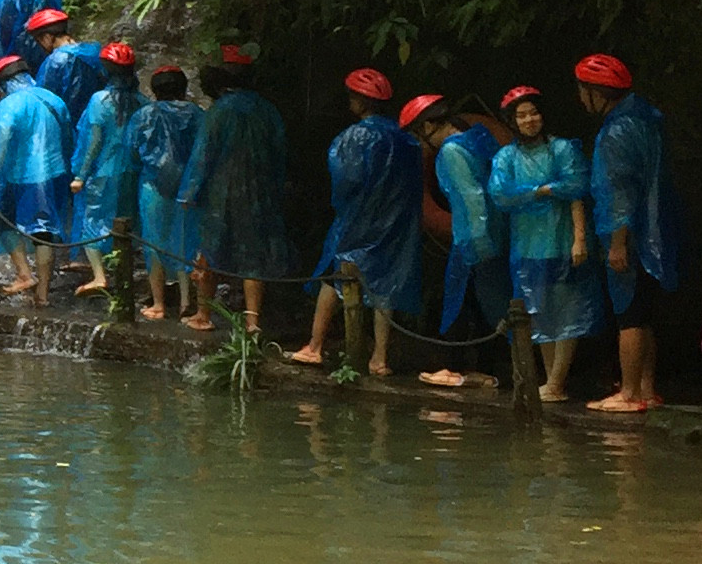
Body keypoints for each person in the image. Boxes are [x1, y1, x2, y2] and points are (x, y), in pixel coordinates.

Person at [290, 67, 423, 376]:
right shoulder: (406, 138)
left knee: (334, 277)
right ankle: (379, 358)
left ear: (361, 101)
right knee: (384, 287)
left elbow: (345, 181)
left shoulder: (354, 137)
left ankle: (315, 346)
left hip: (358, 220)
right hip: (396, 224)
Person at [575, 53, 685, 414]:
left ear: (596, 93)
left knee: (629, 315)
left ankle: (629, 392)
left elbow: (618, 192)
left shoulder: (616, 132)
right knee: (645, 312)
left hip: (631, 233)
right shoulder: (646, 119)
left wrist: (617, 242)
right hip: (657, 229)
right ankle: (647, 388)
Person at [486, 86, 602, 400]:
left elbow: (576, 189)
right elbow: (500, 194)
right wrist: (545, 189)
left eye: (533, 113)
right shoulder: (507, 156)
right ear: (512, 121)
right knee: (538, 312)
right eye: (521, 115)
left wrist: (579, 238)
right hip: (526, 248)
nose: (529, 120)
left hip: (562, 242)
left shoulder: (562, 149)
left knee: (567, 310)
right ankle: (552, 382)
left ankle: (556, 381)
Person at [178, 59, 290, 333]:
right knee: (254, 255)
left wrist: (190, 191)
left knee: (210, 249)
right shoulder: (268, 110)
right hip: (259, 191)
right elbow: (280, 152)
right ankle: (253, 321)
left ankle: (203, 314)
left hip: (221, 190)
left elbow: (203, 154)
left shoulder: (219, 111)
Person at [410, 98, 509, 389]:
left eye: (418, 132)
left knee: (460, 300)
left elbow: (471, 197)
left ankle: (452, 367)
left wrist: (476, 240)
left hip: (472, 236)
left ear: (428, 126)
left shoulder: (452, 151)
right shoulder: (479, 138)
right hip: (497, 232)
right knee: (486, 301)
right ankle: (487, 368)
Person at [70, 41, 143, 294]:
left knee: (94, 220)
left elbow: (94, 142)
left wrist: (81, 175)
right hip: (134, 171)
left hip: (105, 170)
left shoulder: (99, 100)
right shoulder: (141, 101)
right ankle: (122, 274)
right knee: (127, 222)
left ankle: (100, 276)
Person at [130, 63, 199, 322]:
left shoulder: (145, 114)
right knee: (184, 243)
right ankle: (185, 302)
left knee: (153, 243)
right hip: (187, 187)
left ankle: (158, 303)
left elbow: (132, 149)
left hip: (152, 186)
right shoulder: (195, 113)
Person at [0, 56, 50, 295]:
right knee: (43, 231)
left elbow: (1, 143)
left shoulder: (9, 106)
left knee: (4, 223)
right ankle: (43, 295)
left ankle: (24, 274)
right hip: (53, 172)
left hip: (21, 175)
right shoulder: (51, 98)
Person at [36, 23, 105, 117]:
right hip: (97, 114)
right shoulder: (92, 51)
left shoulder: (53, 62)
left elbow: (43, 97)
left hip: (67, 120)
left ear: (47, 37)